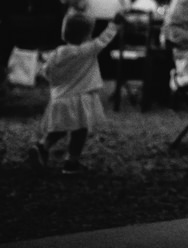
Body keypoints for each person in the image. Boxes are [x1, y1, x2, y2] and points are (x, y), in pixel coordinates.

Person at [27, 12, 124, 173]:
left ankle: (43, 146)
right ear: (87, 35)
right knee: (80, 131)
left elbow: (45, 72)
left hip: (59, 99)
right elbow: (103, 40)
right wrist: (114, 24)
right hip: (80, 98)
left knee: (59, 129)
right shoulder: (87, 50)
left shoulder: (57, 53)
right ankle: (72, 163)